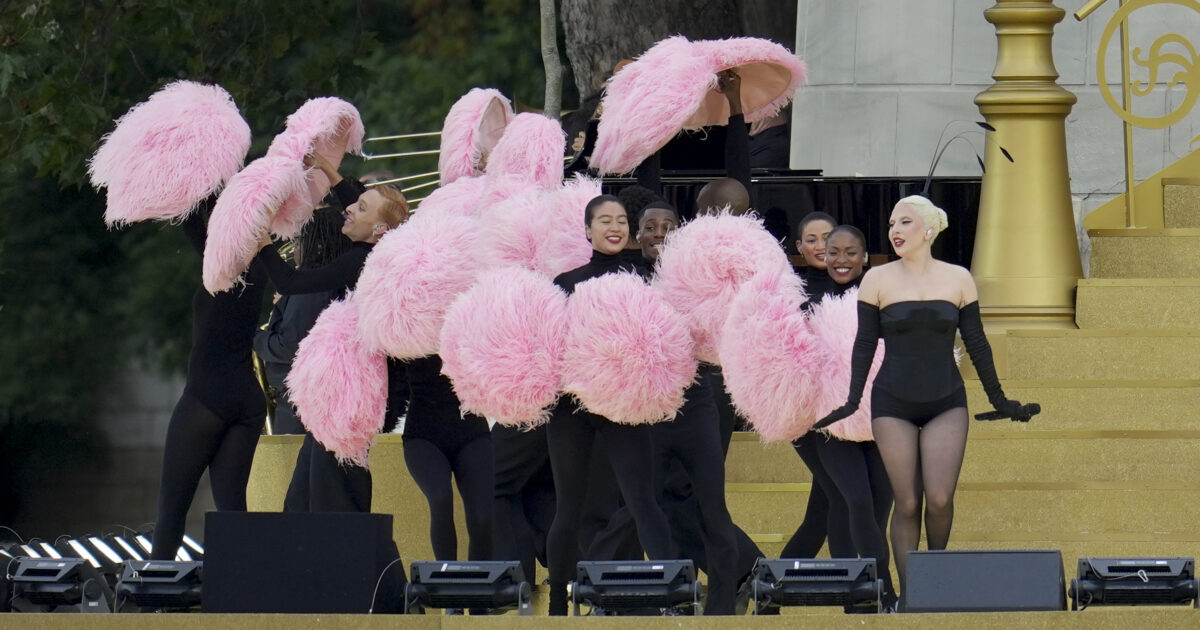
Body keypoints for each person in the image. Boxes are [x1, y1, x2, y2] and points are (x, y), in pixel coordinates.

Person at [813, 195, 1034, 595]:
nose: (894, 230)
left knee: (939, 498)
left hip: (946, 400)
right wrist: (850, 400)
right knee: (908, 502)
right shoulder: (877, 279)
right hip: (892, 403)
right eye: (892, 223)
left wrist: (1000, 401)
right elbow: (864, 345)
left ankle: (935, 581)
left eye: (905, 222)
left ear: (929, 230)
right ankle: (912, 593)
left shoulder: (958, 278)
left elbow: (977, 344)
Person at [255, 152, 409, 513]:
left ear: (378, 230)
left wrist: (262, 243)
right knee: (307, 492)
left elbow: (289, 280)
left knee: (330, 493)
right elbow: (355, 202)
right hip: (346, 393)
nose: (349, 210)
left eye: (361, 208)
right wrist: (326, 168)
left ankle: (352, 560)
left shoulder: (359, 261)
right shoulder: (379, 250)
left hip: (349, 396)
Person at [545, 195, 675, 616]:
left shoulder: (646, 277)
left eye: (621, 220)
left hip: (625, 407)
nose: (614, 226)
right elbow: (552, 346)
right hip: (573, 407)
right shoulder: (566, 281)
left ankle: (669, 595)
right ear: (587, 230)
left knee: (642, 499)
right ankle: (556, 604)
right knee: (569, 506)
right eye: (604, 220)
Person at [782, 225, 897, 610]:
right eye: (834, 251)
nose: (842, 259)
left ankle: (852, 594)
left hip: (880, 420)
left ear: (866, 257)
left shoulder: (883, 297)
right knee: (856, 502)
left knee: (874, 506)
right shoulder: (806, 302)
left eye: (851, 252)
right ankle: (880, 591)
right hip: (827, 424)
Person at [150, 195, 269, 560]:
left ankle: (155, 602)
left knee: (172, 504)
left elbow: (189, 218)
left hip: (207, 396)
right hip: (247, 398)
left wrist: (195, 179)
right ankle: (244, 596)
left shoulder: (223, 265)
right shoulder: (262, 266)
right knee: (232, 507)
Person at [254, 205, 352, 435]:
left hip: (296, 404)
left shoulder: (310, 287)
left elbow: (289, 346)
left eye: (299, 241)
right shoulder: (333, 277)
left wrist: (255, 337)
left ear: (316, 246)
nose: (294, 248)